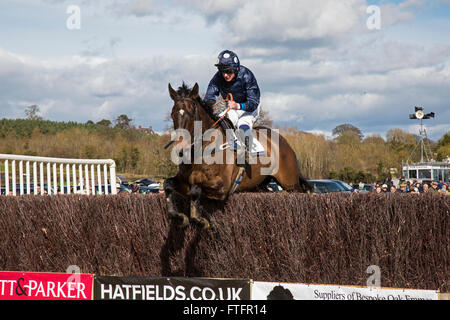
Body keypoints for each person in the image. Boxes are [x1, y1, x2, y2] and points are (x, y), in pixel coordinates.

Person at [204, 50, 261, 165]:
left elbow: (253, 102)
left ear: (236, 68)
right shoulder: (217, 78)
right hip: (233, 108)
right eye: (222, 71)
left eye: (229, 71)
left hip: (249, 108)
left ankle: (254, 151)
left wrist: (238, 105)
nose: (225, 75)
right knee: (220, 122)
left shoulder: (247, 75)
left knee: (241, 125)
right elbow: (209, 97)